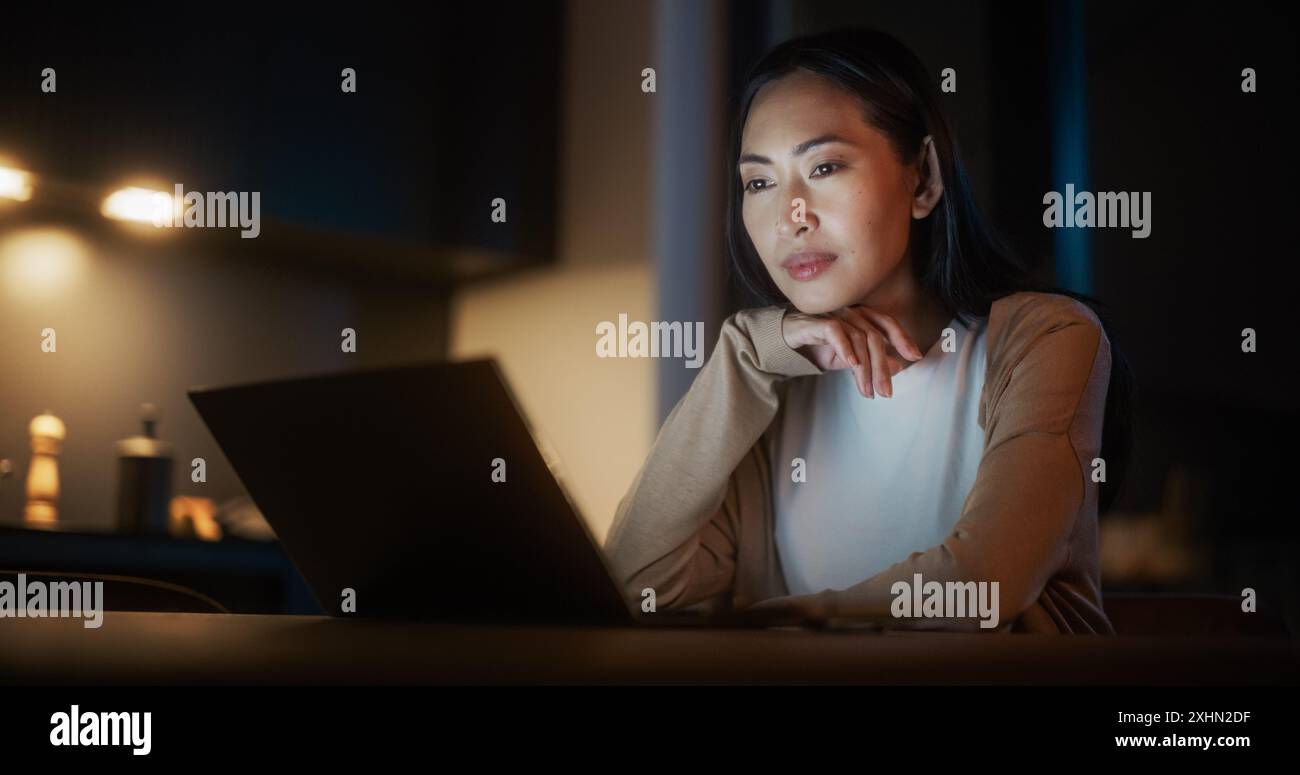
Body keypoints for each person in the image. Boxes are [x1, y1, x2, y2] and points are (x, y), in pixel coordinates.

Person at [602, 27, 1134, 634]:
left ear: (924, 179)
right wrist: (744, 353)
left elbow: (983, 585)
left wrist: (785, 620)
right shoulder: (770, 391)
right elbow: (632, 583)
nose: (789, 216)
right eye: (759, 182)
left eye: (824, 166)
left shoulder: (1045, 338)